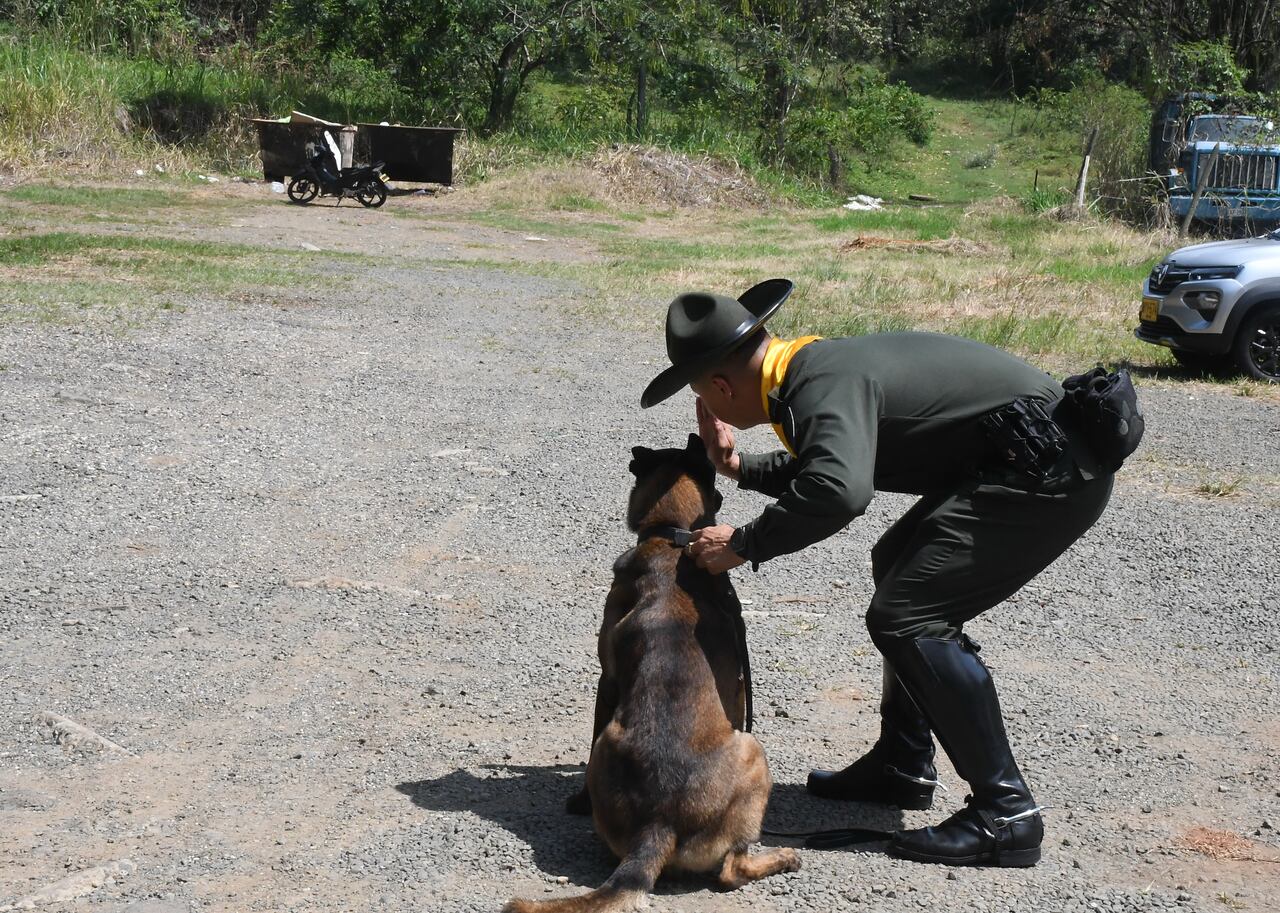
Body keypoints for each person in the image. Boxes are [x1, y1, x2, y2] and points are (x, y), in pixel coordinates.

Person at [639, 279, 1114, 868]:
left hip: (1050, 475)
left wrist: (744, 542)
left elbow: (839, 489)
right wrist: (737, 464)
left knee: (908, 613)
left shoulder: (817, 384)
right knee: (897, 566)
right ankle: (902, 764)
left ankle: (1007, 814)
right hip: (1029, 462)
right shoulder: (808, 372)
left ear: (719, 385)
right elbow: (837, 456)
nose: (708, 409)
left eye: (702, 398)